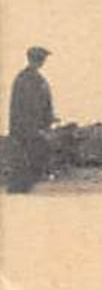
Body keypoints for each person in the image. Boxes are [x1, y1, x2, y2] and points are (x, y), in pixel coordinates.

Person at [7, 46, 55, 193]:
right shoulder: (26, 79)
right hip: (26, 129)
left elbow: (45, 104)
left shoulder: (35, 79)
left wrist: (49, 118)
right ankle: (19, 191)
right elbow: (24, 107)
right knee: (26, 162)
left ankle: (22, 189)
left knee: (32, 161)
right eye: (41, 59)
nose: (42, 62)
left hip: (32, 129)